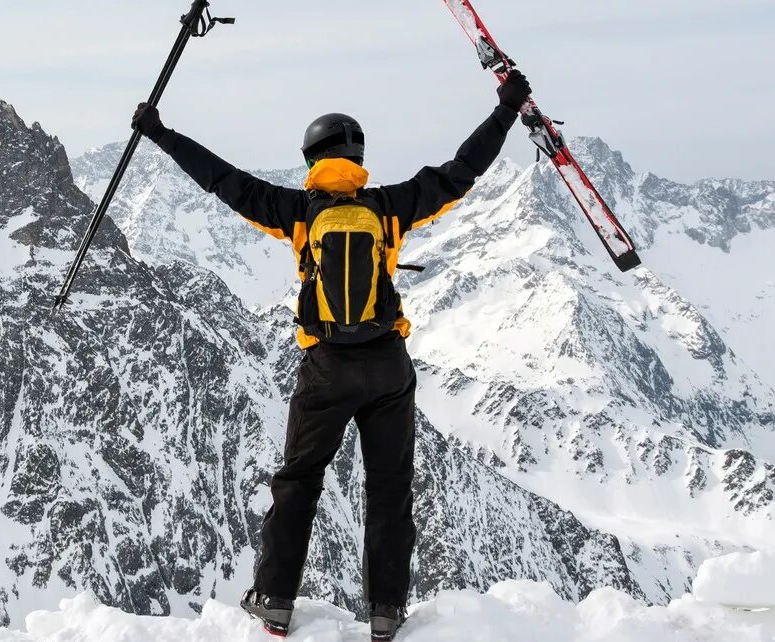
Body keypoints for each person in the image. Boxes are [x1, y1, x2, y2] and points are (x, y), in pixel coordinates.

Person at [130, 71, 531, 640]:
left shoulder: (296, 212)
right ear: (358, 157)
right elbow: (462, 171)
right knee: (389, 488)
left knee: (299, 481)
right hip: (389, 367)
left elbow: (222, 181)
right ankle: (386, 612)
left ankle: (274, 599)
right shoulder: (393, 206)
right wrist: (506, 111)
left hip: (325, 371)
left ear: (312, 160)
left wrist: (161, 134)